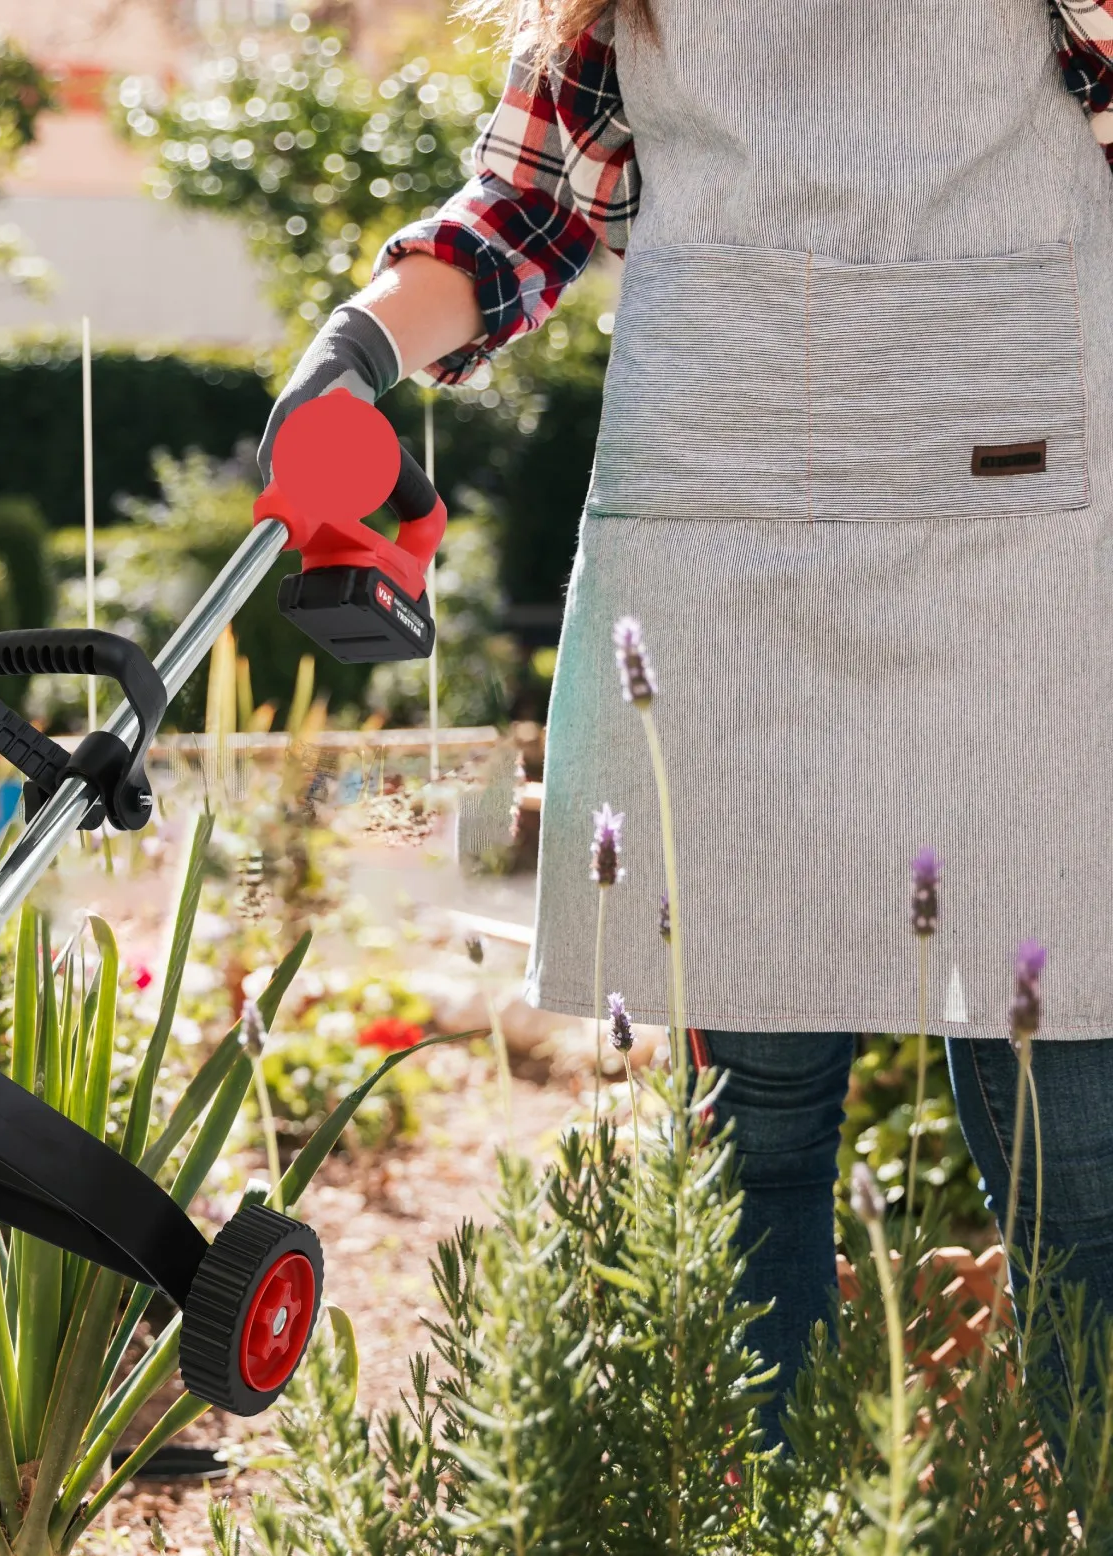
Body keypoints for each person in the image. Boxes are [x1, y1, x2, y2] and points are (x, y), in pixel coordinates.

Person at [259, 0, 1113, 1438]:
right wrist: (356, 347)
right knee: (753, 1157)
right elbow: (522, 214)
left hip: (1017, 559)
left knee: (1081, 1165)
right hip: (726, 574)